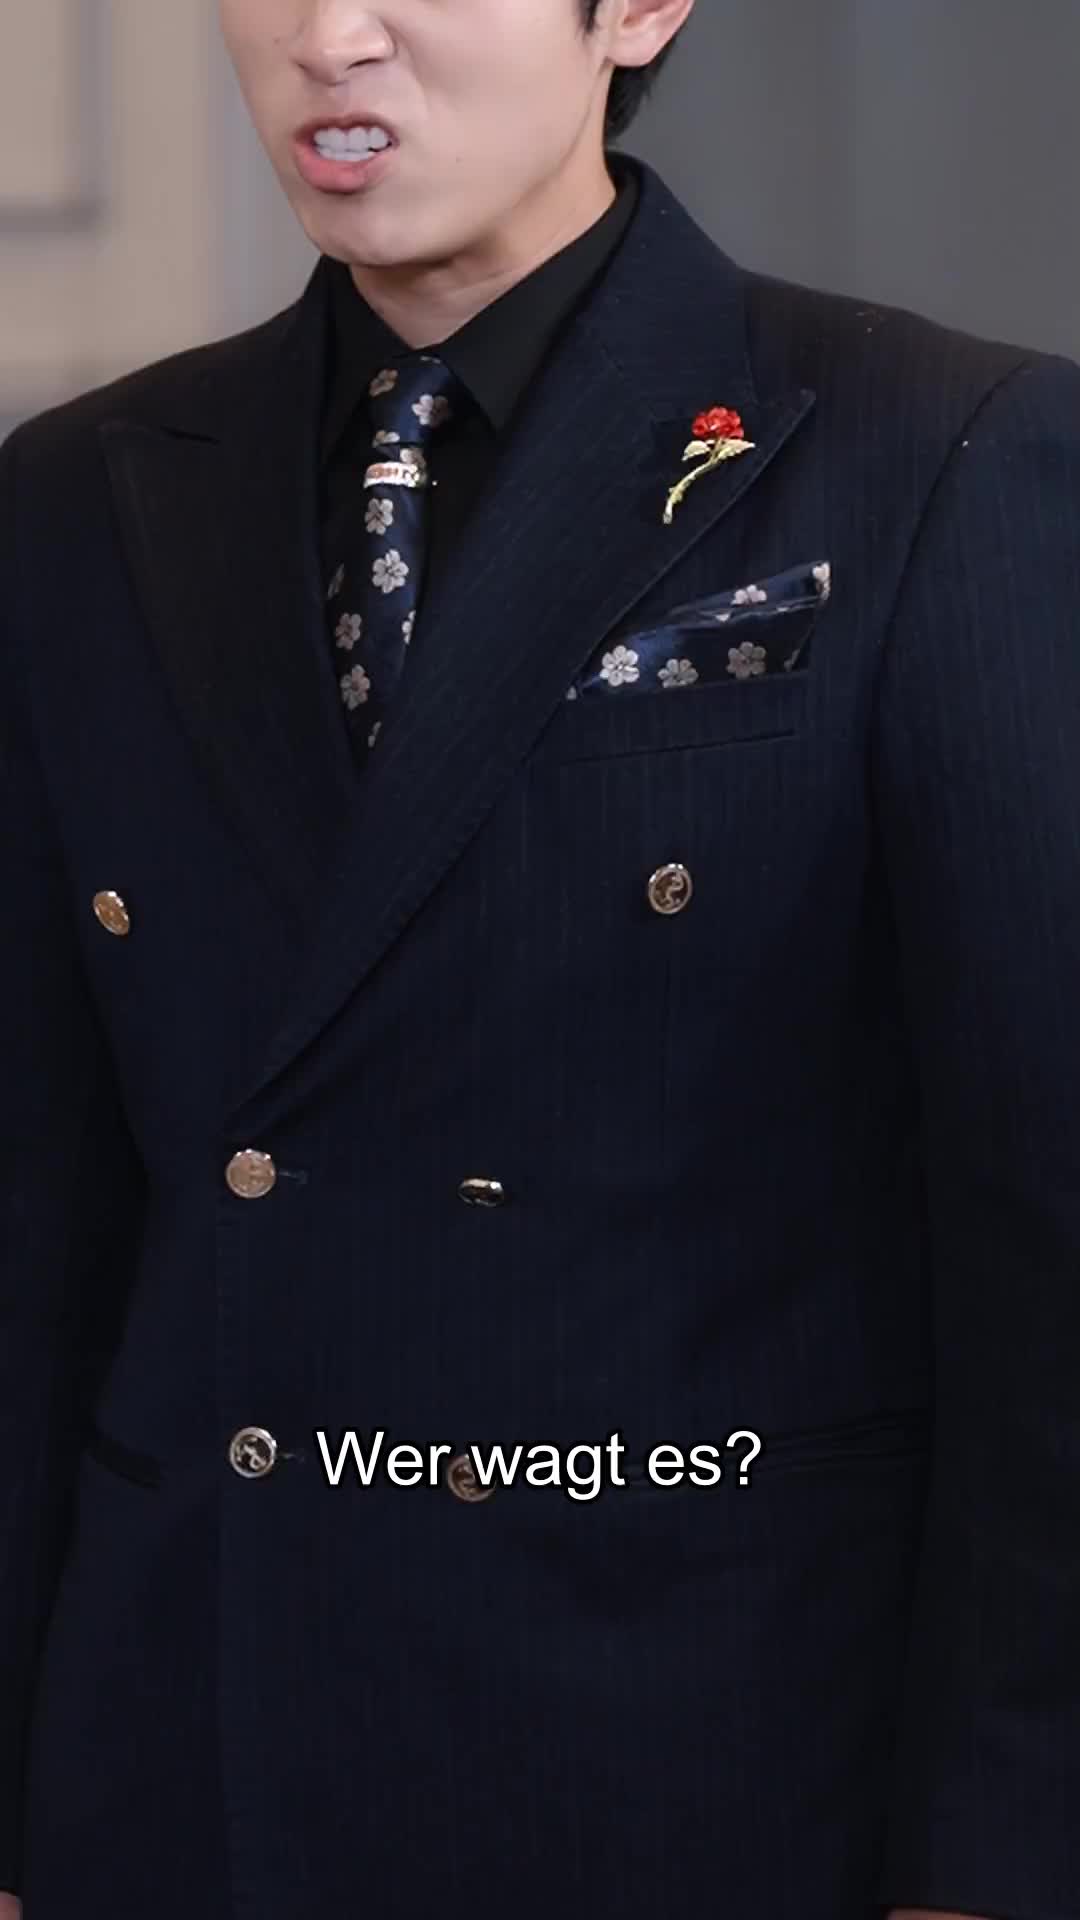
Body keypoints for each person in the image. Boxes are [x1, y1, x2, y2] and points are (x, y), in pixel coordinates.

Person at [1, 0, 1077, 1913]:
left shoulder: (934, 449)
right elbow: (34, 1216)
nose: (331, 37)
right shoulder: (83, 492)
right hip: (185, 1762)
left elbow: (1044, 1237)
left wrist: (999, 1861)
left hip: (704, 1756)